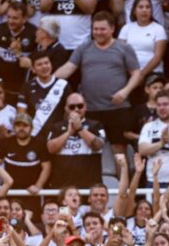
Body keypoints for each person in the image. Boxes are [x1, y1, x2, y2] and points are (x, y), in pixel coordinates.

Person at [54, 11, 143, 155]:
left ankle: (123, 178)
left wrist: (125, 91)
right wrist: (49, 79)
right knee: (90, 147)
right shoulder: (84, 47)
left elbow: (136, 73)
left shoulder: (124, 47)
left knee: (118, 149)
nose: (98, 32)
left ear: (112, 29)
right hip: (90, 110)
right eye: (95, 29)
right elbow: (69, 67)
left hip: (117, 108)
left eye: (102, 29)